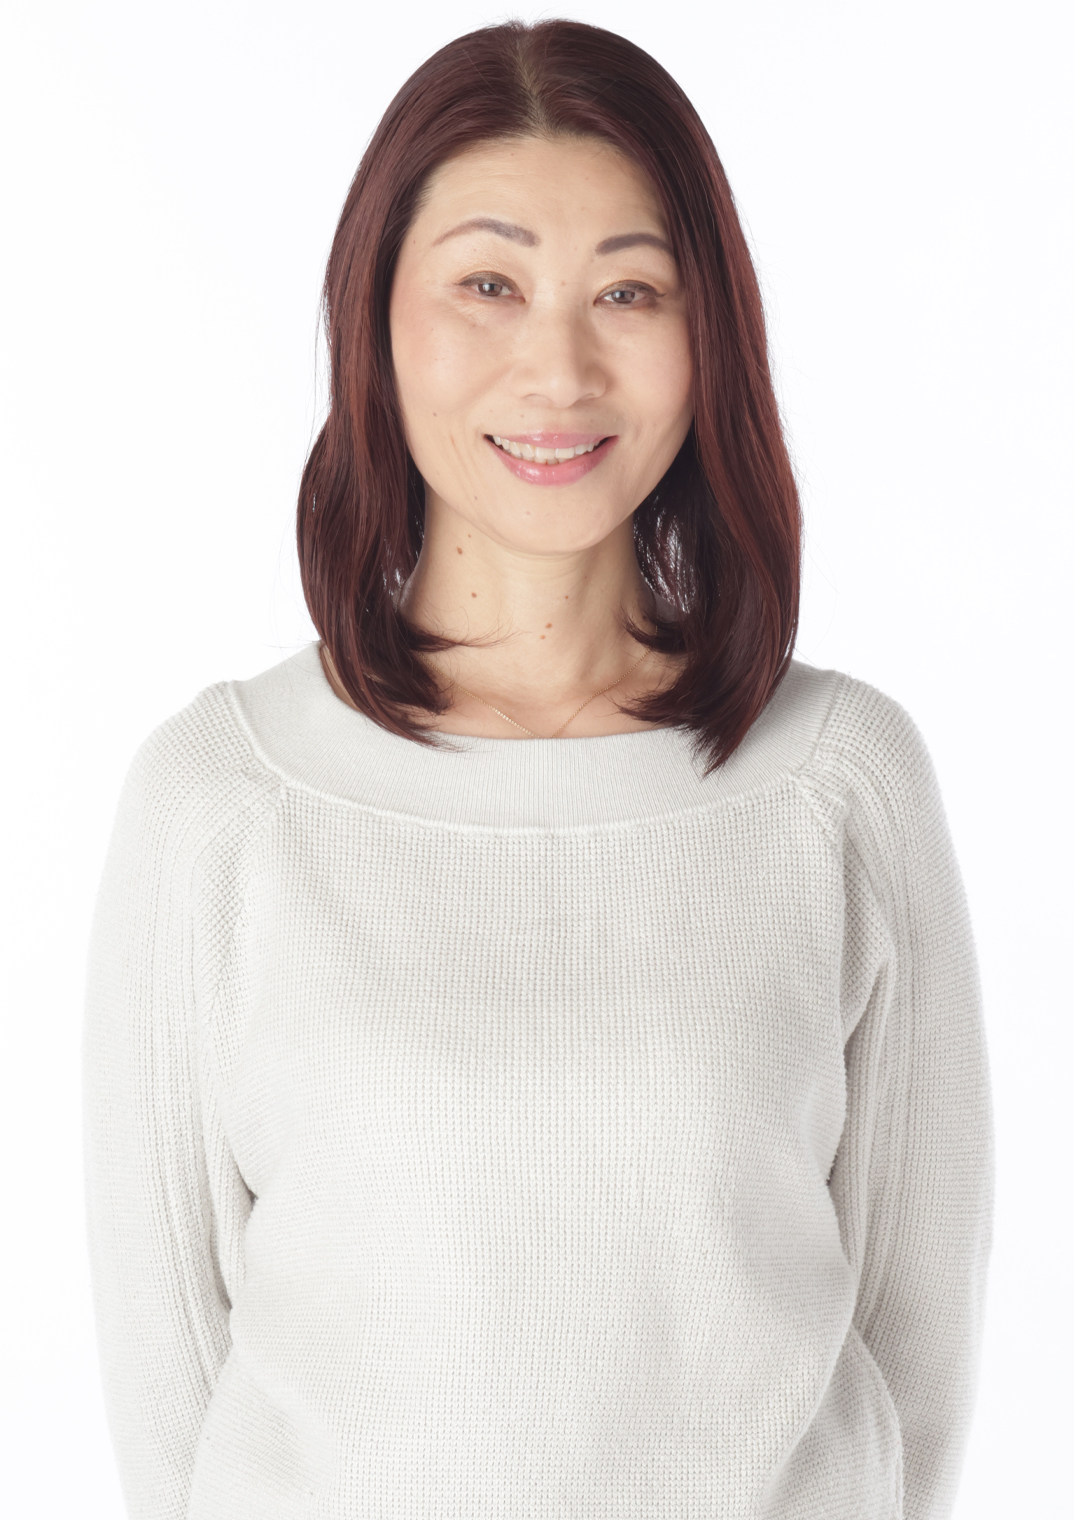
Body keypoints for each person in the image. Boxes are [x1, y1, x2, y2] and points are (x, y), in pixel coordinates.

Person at [82, 19, 993, 1520]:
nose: (559, 368)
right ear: (377, 317)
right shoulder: (222, 801)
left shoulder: (839, 782)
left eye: (628, 292)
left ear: (709, 335)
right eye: (489, 285)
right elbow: (170, 1382)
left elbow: (916, 1353)